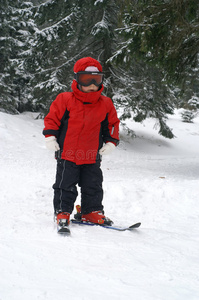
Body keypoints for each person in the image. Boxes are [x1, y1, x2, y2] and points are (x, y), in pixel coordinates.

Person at [43, 57, 120, 229]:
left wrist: (111, 142)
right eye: (87, 79)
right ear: (77, 80)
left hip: (92, 155)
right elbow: (52, 119)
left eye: (96, 79)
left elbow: (112, 125)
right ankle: (62, 211)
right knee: (65, 185)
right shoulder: (65, 99)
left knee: (93, 185)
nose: (92, 84)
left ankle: (91, 211)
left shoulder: (105, 103)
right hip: (68, 154)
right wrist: (50, 137)